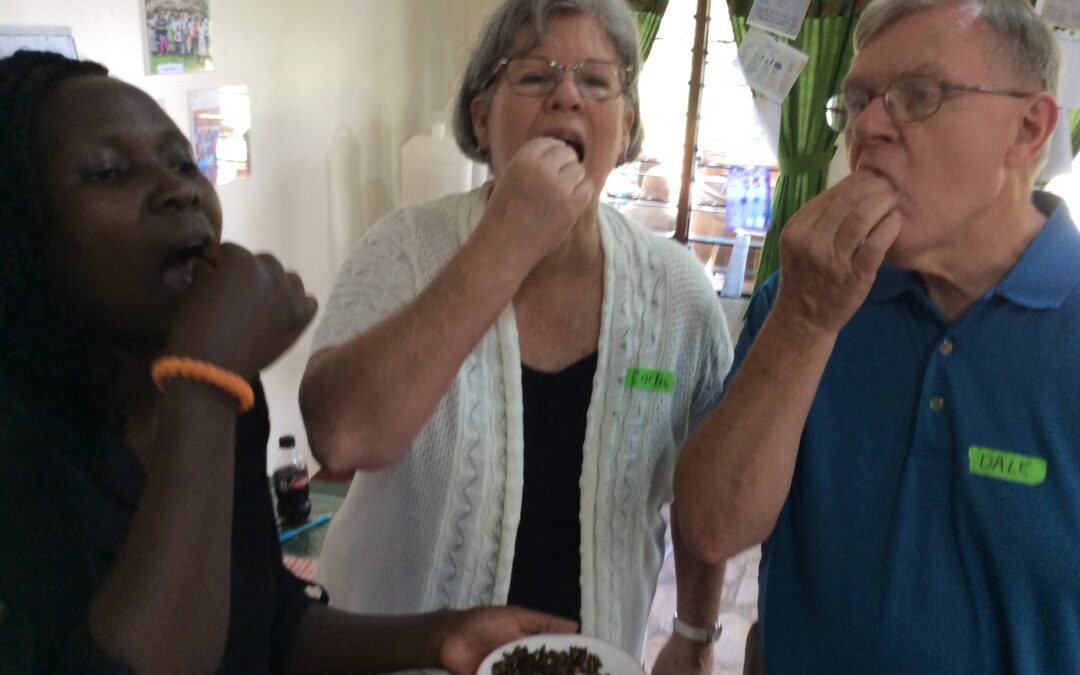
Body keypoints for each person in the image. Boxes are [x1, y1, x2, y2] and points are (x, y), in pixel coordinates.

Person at [0, 50, 575, 675]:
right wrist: (205, 380)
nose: (178, 190)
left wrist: (441, 637)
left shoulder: (222, 393)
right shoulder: (43, 440)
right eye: (108, 173)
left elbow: (267, 621)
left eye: (183, 162)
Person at [299, 0, 733, 671]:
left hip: (592, 656)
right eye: (535, 76)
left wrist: (697, 634)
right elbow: (340, 435)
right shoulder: (404, 248)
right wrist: (506, 240)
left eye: (596, 81)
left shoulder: (682, 296)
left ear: (626, 128)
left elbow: (708, 495)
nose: (567, 96)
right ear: (482, 119)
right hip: (397, 654)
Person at [673, 0, 1079, 672]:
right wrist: (805, 319)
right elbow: (712, 526)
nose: (867, 127)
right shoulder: (807, 296)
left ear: (1028, 128)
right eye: (858, 102)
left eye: (918, 95)